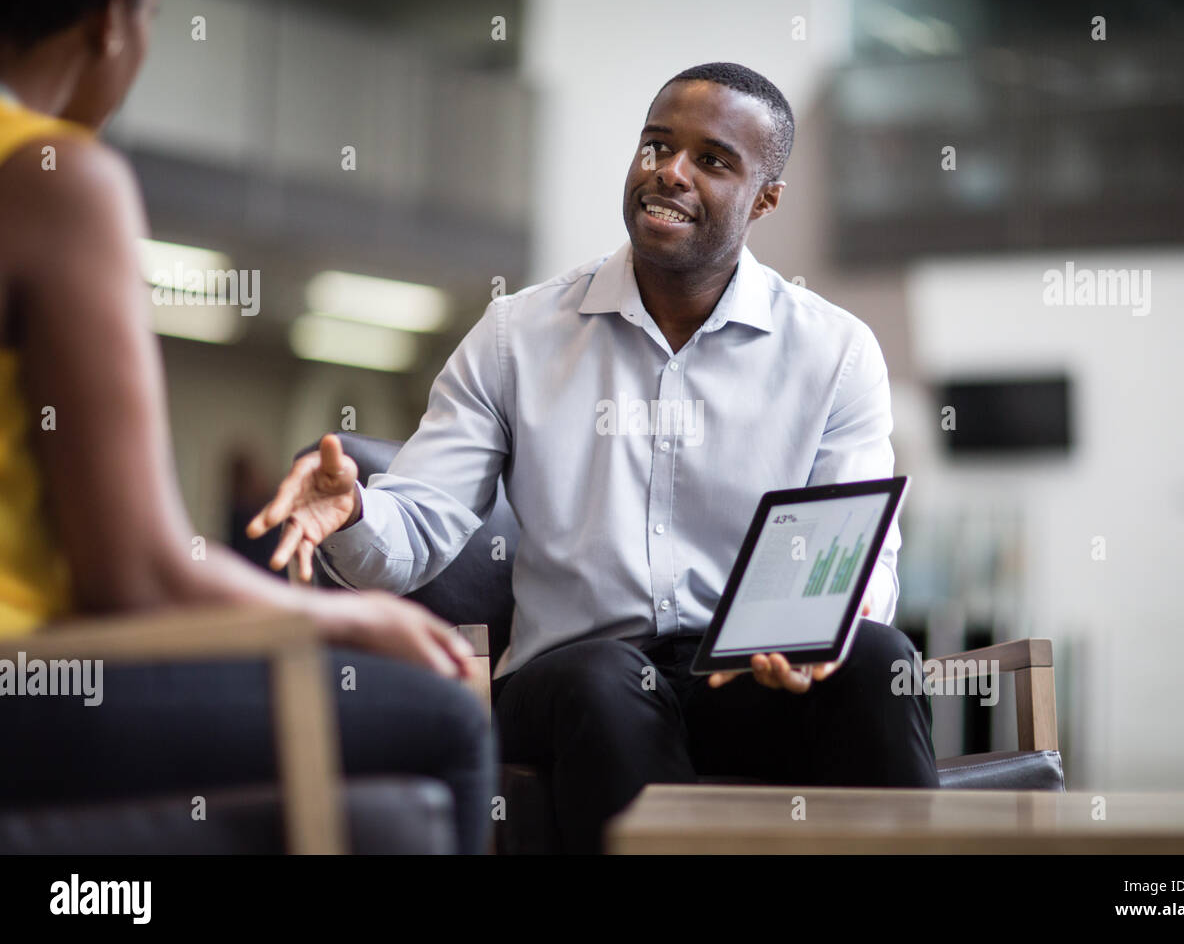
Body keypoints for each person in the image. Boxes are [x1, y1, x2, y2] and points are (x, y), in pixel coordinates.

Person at [251, 62, 939, 854]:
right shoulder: (518, 335)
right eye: (656, 146)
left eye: (712, 160)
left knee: (879, 655)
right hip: (569, 681)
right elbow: (419, 529)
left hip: (747, 680)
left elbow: (856, 554)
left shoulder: (835, 351)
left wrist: (822, 637)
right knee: (608, 678)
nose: (669, 173)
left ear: (767, 198)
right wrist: (358, 511)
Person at [0, 0, 492, 853]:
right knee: (446, 715)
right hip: (28, 682)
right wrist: (356, 620)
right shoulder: (57, 176)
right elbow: (139, 578)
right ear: (113, 16)